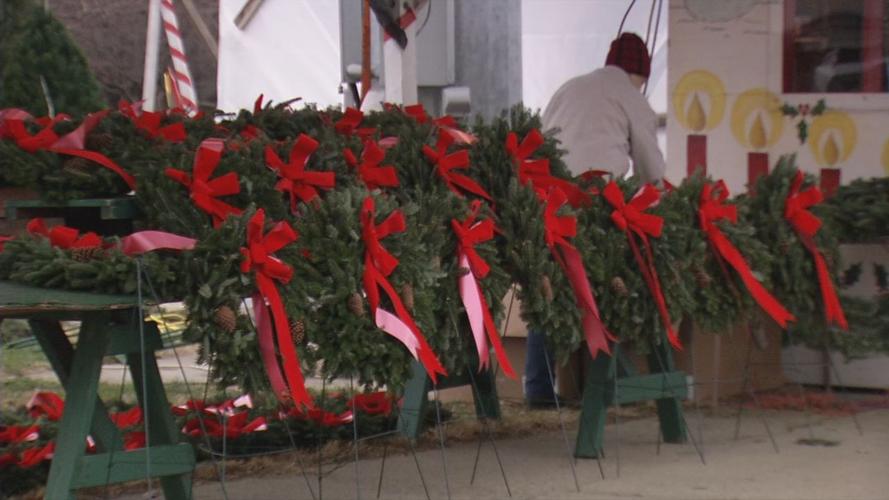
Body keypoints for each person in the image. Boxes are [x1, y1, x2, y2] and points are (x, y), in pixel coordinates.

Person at [524, 32, 666, 408]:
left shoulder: (569, 88)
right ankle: (613, 383)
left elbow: (538, 140)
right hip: (596, 206)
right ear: (640, 73)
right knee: (609, 287)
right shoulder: (632, 97)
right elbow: (652, 170)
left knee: (547, 288)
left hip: (549, 201)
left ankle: (537, 386)